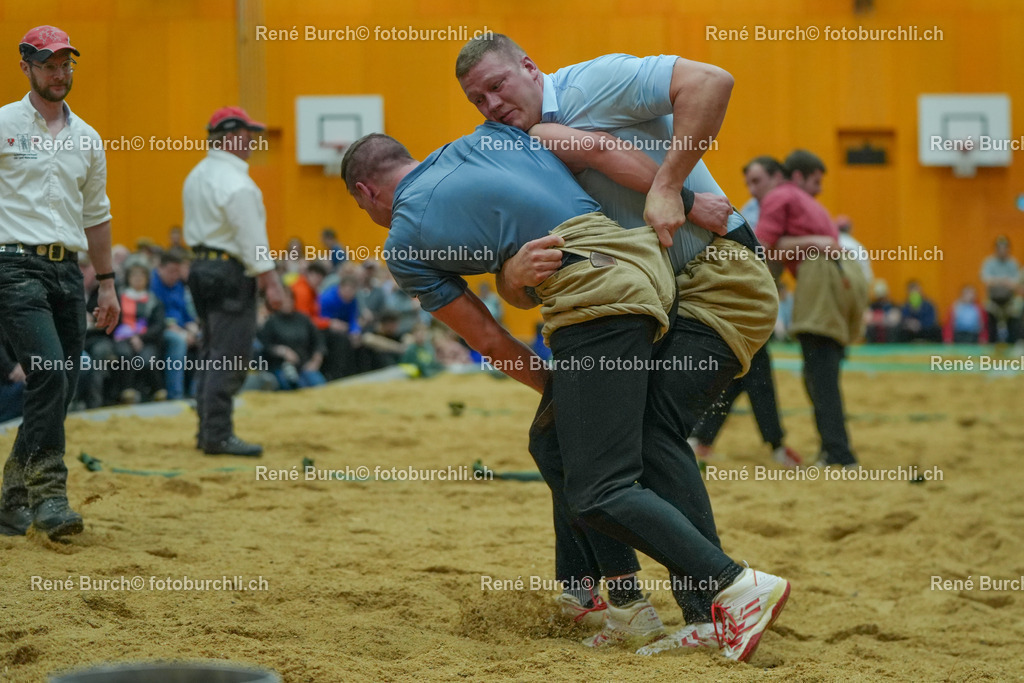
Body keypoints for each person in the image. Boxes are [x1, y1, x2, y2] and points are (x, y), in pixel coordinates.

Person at [341, 127, 790, 663]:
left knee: (599, 486)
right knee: (554, 442)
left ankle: (730, 585)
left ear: (366, 192)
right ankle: (619, 600)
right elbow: (597, 155)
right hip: (648, 269)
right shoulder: (488, 140)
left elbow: (489, 339)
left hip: (597, 297)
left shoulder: (402, 241)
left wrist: (556, 386)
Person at [456, 35, 786, 650]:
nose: (491, 104)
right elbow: (514, 285)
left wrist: (671, 186)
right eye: (478, 100)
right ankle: (608, 598)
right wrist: (512, 278)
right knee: (559, 432)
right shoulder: (517, 151)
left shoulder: (591, 84)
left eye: (497, 86)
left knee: (650, 431)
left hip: (716, 276)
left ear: (530, 67)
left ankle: (714, 607)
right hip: (649, 299)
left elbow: (711, 81)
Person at [0, 25, 119, 539]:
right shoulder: (3, 124)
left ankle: (11, 498)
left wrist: (107, 283)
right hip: (13, 266)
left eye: (66, 64)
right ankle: (49, 496)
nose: (59, 73)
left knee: (61, 385)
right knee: (49, 373)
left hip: (68, 270)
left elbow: (97, 215)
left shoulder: (88, 137)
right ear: (25, 66)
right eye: (49, 65)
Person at [756, 150, 869, 468]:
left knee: (820, 373)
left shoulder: (780, 196)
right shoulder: (810, 205)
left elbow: (762, 249)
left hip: (822, 278)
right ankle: (835, 449)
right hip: (843, 277)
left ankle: (839, 453)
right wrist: (812, 243)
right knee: (821, 371)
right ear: (799, 176)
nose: (819, 190)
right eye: (816, 182)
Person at [686, 156, 800, 468]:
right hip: (744, 301)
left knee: (739, 373)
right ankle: (776, 444)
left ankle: (701, 438)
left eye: (757, 181)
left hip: (753, 299)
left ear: (777, 178)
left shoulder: (777, 206)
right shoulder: (752, 211)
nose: (752, 189)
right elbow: (763, 250)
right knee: (757, 374)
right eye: (749, 182)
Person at [183, 106, 284, 457]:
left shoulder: (197, 174)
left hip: (200, 268)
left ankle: (207, 430)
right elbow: (252, 239)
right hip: (229, 273)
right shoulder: (238, 183)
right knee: (229, 357)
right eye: (247, 134)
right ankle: (218, 434)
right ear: (230, 137)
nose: (252, 140)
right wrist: (271, 282)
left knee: (211, 351)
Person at [150, 250, 199, 399]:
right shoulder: (152, 283)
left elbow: (186, 314)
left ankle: (197, 391)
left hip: (181, 328)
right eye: (171, 271)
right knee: (178, 341)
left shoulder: (178, 285)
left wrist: (192, 327)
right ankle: (175, 395)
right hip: (160, 329)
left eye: (178, 271)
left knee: (205, 337)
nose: (175, 275)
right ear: (160, 268)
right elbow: (155, 317)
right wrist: (181, 331)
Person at [979, 235, 1022, 344]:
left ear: (1008, 249)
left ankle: (1013, 347)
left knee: (1014, 324)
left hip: (1009, 302)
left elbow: (1016, 284)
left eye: (1005, 248)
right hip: (993, 301)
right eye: (1000, 248)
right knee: (991, 328)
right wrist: (1004, 280)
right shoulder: (989, 262)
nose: (1002, 250)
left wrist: (998, 281)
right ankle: (991, 348)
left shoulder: (1013, 263)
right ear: (996, 249)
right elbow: (987, 281)